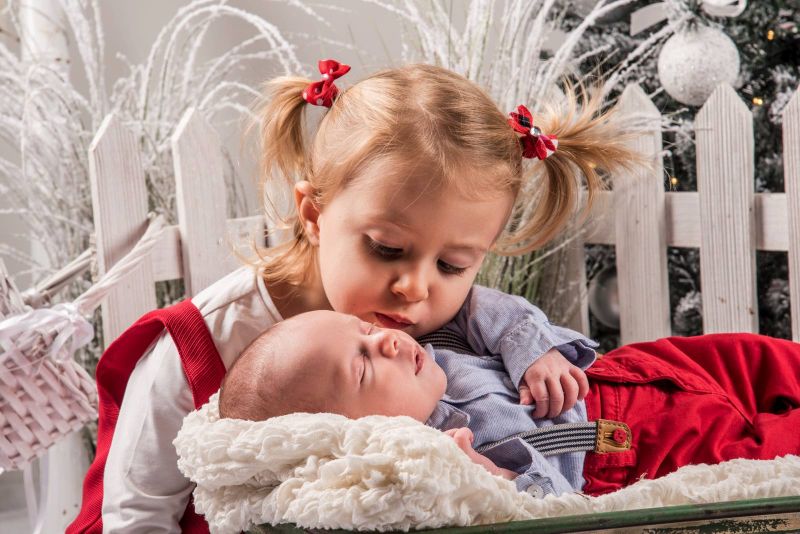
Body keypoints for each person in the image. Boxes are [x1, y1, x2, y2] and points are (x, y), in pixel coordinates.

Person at [69, 59, 635, 533]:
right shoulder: (202, 342)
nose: (415, 287)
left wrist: (534, 353)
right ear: (314, 214)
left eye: (452, 265)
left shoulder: (440, 318)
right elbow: (136, 510)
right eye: (387, 249)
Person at [218, 307, 800, 499]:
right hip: (637, 450)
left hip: (625, 372)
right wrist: (497, 481)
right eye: (364, 363)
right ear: (353, 433)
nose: (388, 341)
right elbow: (552, 508)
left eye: (365, 330)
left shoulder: (436, 344)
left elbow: (486, 305)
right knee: (774, 453)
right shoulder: (440, 456)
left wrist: (532, 352)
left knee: (756, 355)